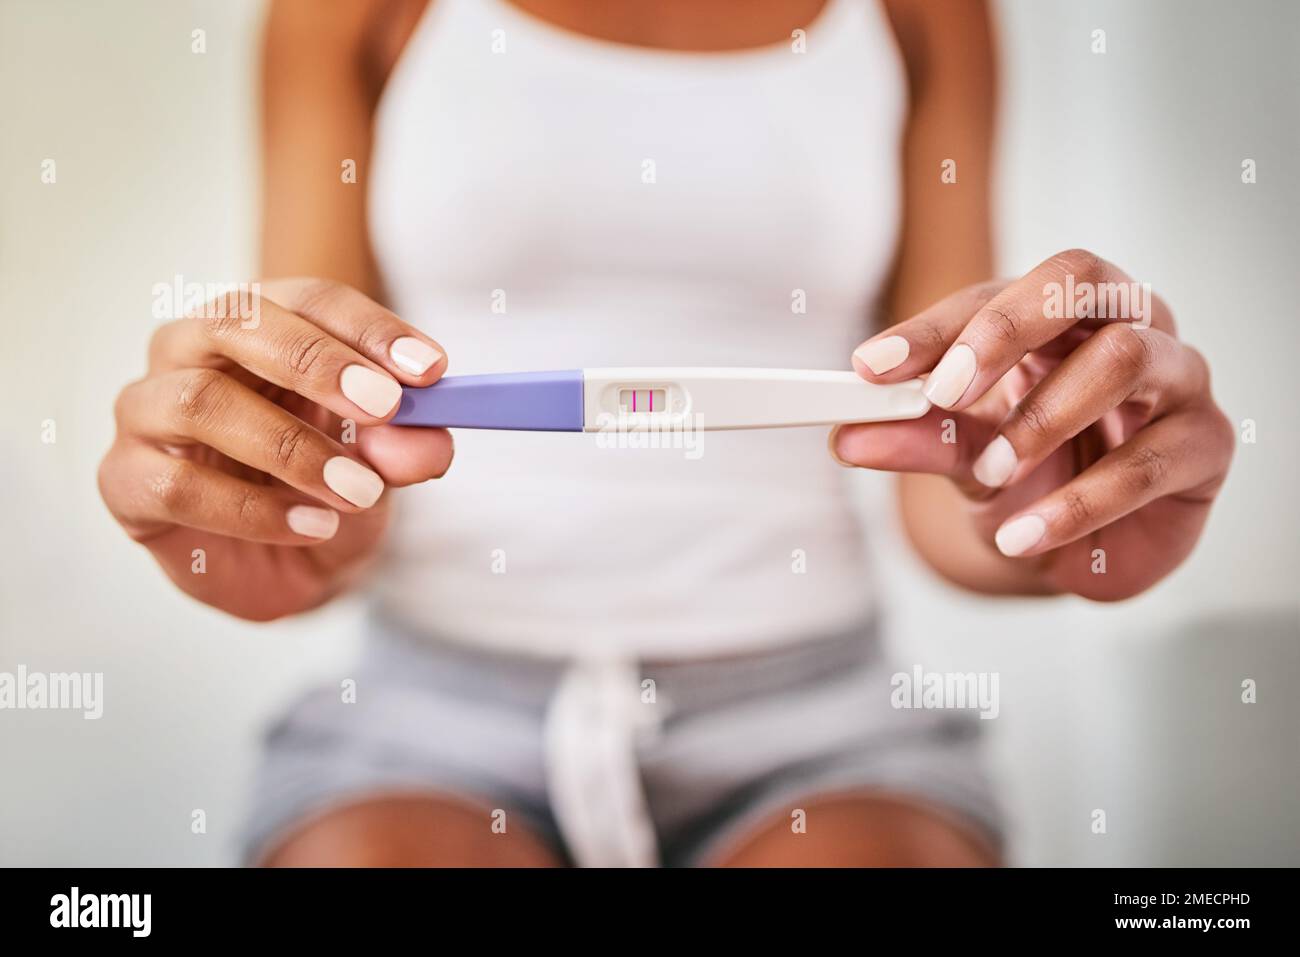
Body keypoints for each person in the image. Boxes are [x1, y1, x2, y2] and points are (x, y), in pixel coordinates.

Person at [97, 0, 1233, 867]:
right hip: (427, 714)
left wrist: (1056, 511)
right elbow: (319, 422)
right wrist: (271, 528)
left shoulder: (923, 16)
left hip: (821, 718)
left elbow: (938, 455)